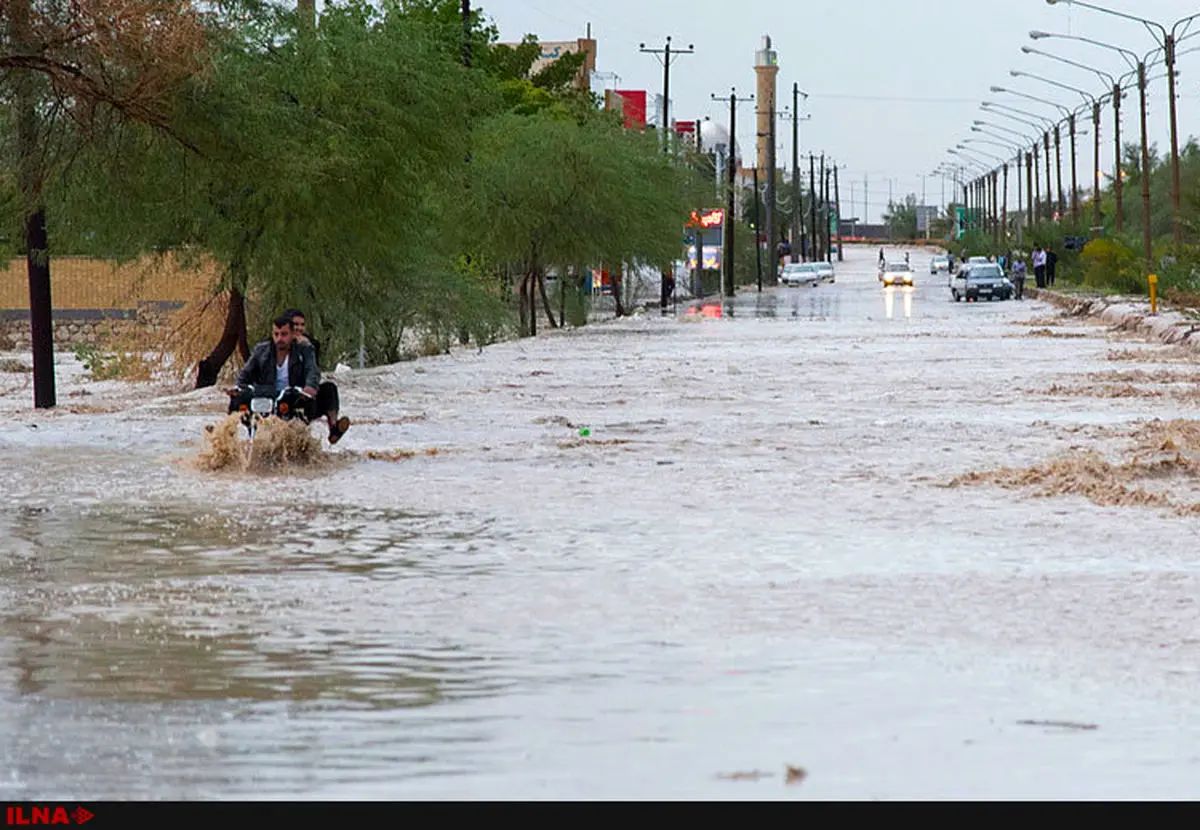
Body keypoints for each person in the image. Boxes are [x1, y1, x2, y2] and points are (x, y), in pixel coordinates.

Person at [229, 314, 351, 444]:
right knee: (237, 400)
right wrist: (239, 388)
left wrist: (309, 387)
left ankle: (327, 431)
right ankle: (224, 437)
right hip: (266, 395)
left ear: (292, 334)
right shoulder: (262, 350)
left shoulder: (305, 349)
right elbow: (245, 373)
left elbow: (312, 371)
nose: (279, 338)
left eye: (284, 334)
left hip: (294, 397)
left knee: (324, 392)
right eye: (276, 334)